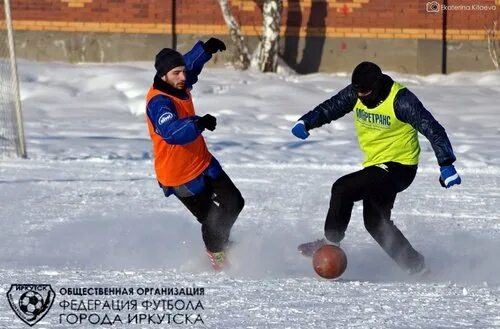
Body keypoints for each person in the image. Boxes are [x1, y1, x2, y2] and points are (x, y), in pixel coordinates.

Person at [291, 61, 461, 276]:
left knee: (343, 188)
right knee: (374, 222)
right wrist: (307, 121)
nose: (361, 96)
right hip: (376, 165)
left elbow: (432, 128)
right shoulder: (356, 92)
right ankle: (417, 268)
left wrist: (446, 164)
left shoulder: (401, 100)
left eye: (366, 91)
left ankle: (330, 242)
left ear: (378, 85)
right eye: (357, 91)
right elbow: (331, 107)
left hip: (400, 167)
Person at [145, 38, 244, 271]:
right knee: (211, 219)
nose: (183, 77)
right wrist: (197, 123)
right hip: (179, 176)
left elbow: (188, 64)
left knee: (234, 203)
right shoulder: (159, 102)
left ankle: (221, 241)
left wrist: (205, 50)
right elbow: (170, 132)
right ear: (163, 76)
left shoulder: (178, 81)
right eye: (176, 73)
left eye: (182, 72)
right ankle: (216, 253)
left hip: (202, 161)